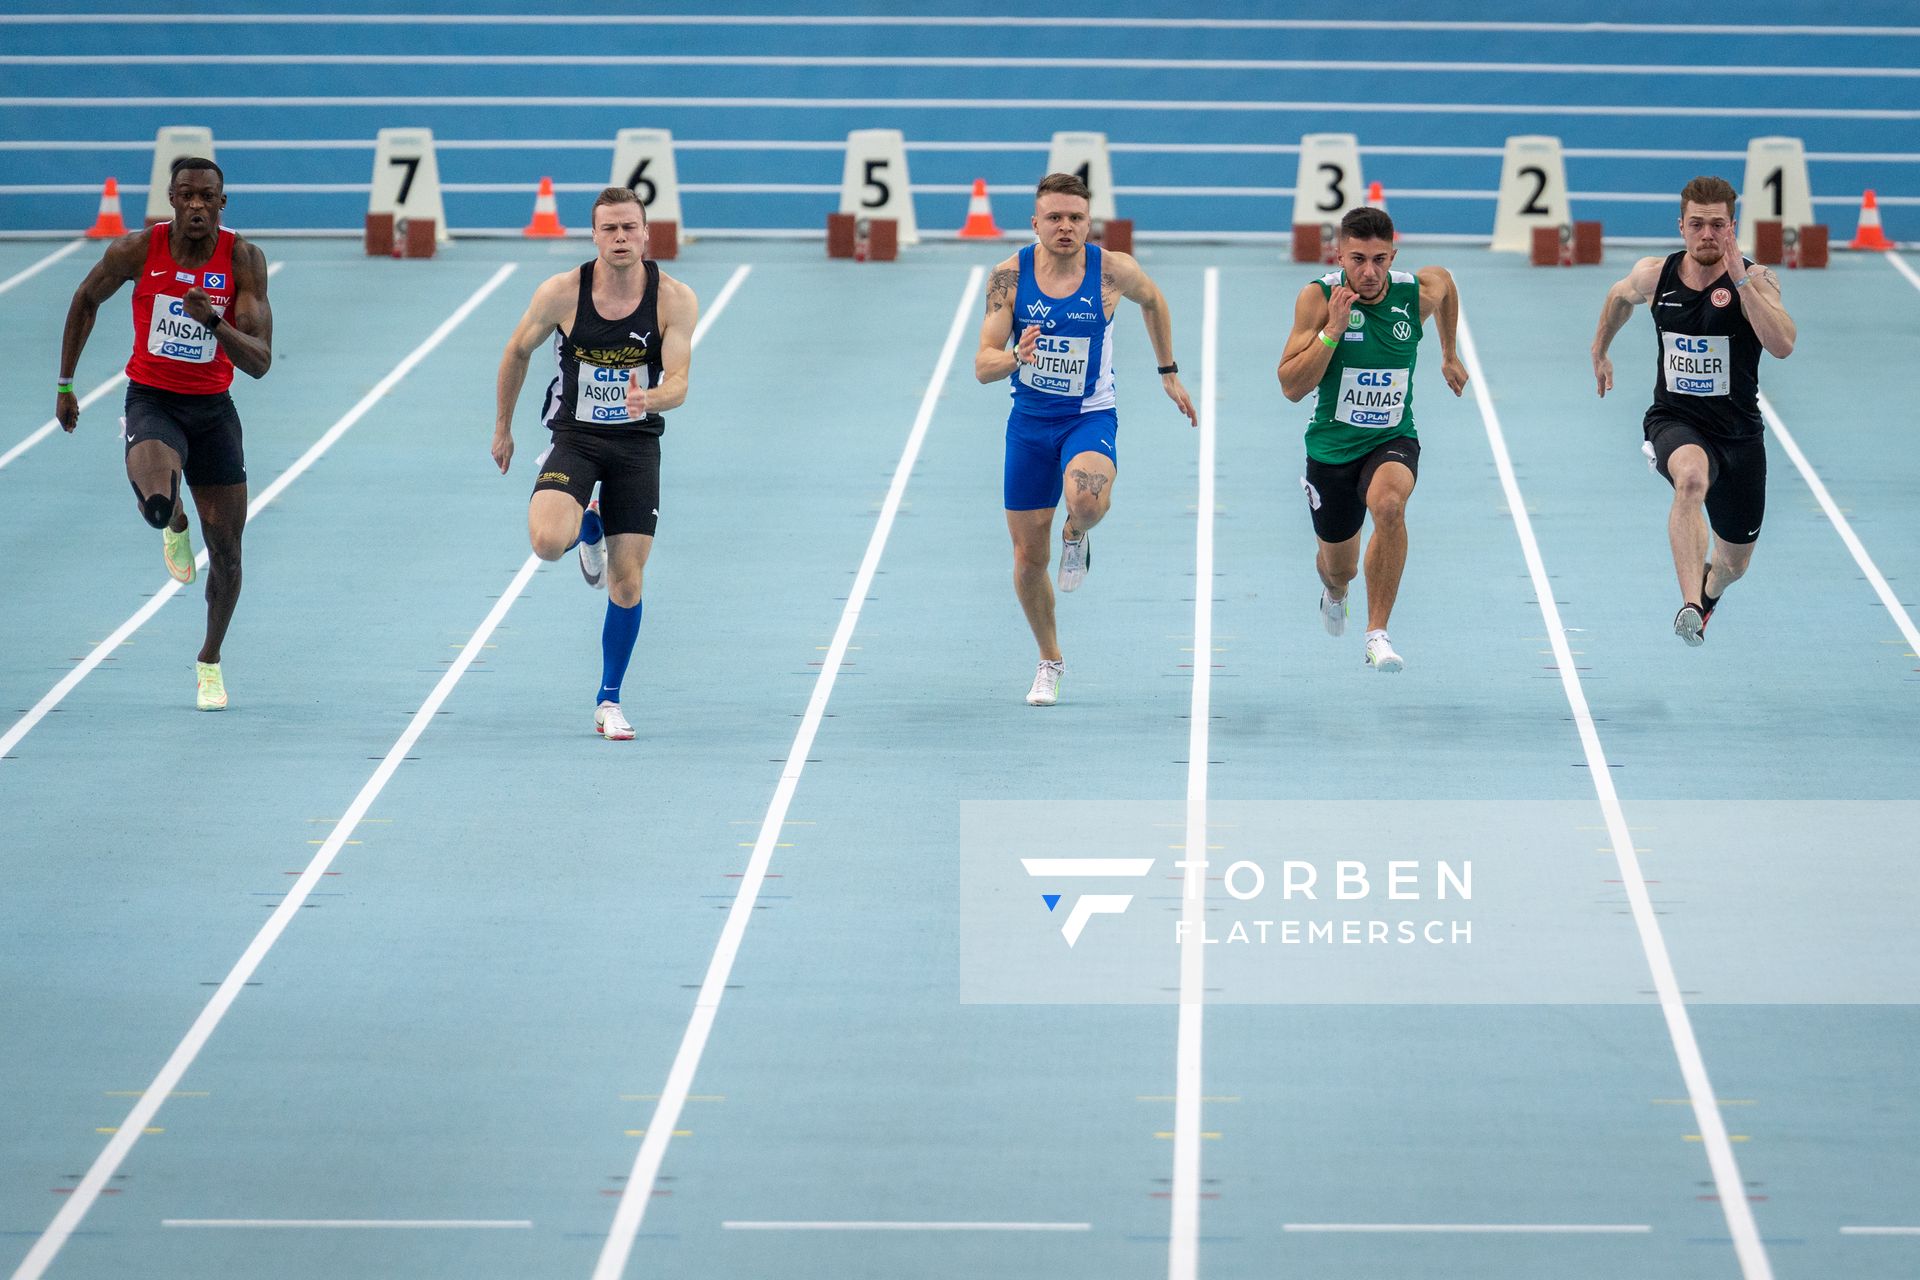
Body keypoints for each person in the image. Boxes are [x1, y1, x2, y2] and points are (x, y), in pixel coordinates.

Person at [57, 156, 274, 711]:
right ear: (171, 199)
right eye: (186, 195)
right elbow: (85, 299)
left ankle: (209, 661)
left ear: (222, 205)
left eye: (208, 197)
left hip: (213, 412)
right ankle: (173, 518)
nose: (197, 205)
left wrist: (214, 323)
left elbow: (260, 362)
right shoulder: (137, 249)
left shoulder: (243, 260)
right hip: (152, 400)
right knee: (157, 505)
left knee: (227, 556)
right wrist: (65, 383)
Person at [974, 172, 1197, 707]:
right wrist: (1016, 357)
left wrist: (1168, 370)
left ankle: (1078, 530)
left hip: (1088, 416)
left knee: (1088, 499)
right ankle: (1050, 660)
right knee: (1029, 558)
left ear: (1088, 222)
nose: (1066, 227)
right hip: (1028, 425)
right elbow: (983, 366)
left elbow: (1156, 302)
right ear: (1036, 223)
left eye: (1075, 217)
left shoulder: (1113, 272)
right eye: (1055, 217)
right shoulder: (1008, 278)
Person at [492, 186, 698, 740]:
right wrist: (503, 427)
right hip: (576, 437)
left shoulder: (673, 298)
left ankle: (608, 700)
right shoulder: (562, 293)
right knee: (545, 544)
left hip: (635, 445)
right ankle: (589, 524)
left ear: (646, 233)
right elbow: (516, 350)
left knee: (627, 582)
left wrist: (649, 399)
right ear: (594, 237)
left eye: (630, 227)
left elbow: (679, 382)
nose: (621, 238)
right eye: (609, 229)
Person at [1591, 175, 1796, 645]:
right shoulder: (1654, 274)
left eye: (1717, 225)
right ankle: (1690, 604)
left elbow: (1783, 344)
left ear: (1732, 228)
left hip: (1739, 437)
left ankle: (1709, 588)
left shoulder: (1757, 278)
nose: (1707, 234)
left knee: (1734, 565)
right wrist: (1600, 350)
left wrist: (1740, 281)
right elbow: (1619, 298)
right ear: (1681, 226)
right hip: (1674, 420)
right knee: (1690, 479)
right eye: (1698, 224)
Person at [1277, 205, 1467, 673]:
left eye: (1379, 259)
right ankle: (1335, 591)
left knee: (1389, 505)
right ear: (1338, 254)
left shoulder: (1412, 292)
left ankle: (1377, 633)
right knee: (1340, 567)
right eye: (1357, 259)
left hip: (1392, 438)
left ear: (1393, 255)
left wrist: (1449, 352)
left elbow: (1444, 283)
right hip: (1330, 450)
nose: (1368, 271)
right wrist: (1331, 333)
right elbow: (1291, 386)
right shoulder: (1317, 299)